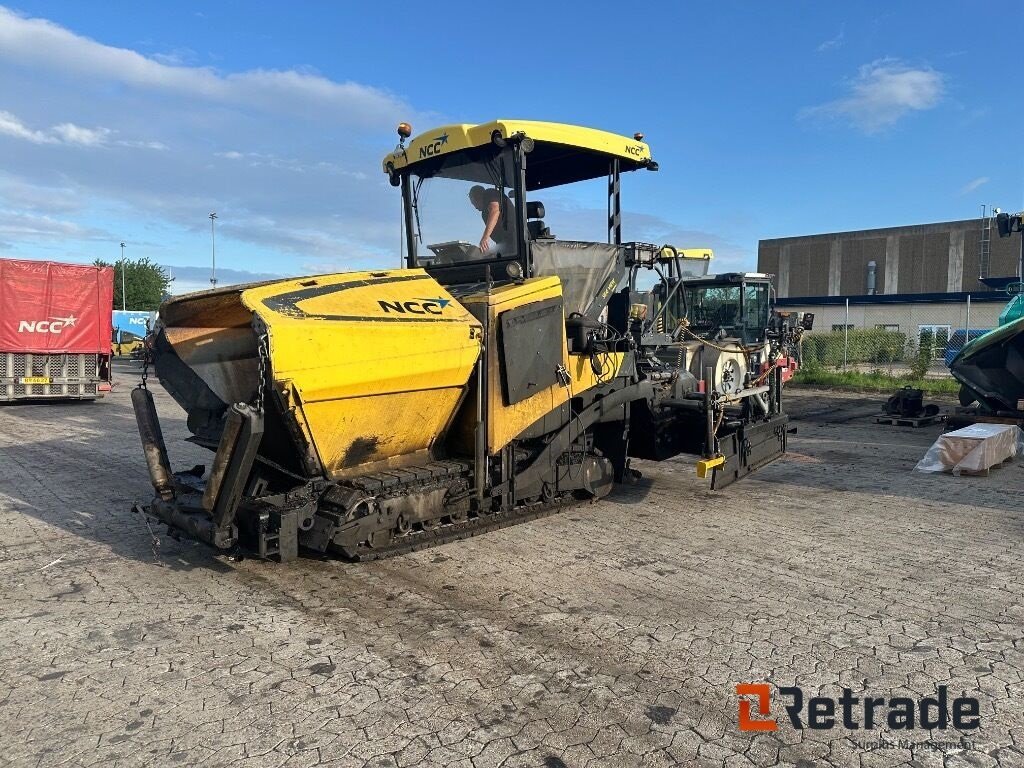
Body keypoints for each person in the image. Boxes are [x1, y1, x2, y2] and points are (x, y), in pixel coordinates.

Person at [468, 185, 517, 255]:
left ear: (478, 196)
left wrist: (485, 238)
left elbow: (494, 210)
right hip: (503, 242)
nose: (475, 207)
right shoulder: (484, 214)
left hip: (514, 239)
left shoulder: (489, 193)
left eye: (474, 203)